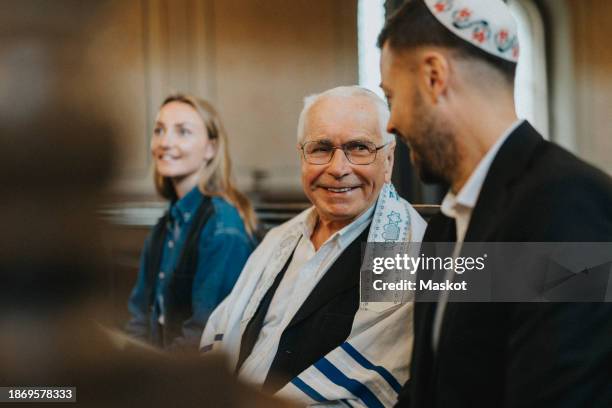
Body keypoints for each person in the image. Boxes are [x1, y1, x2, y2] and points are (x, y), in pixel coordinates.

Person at [378, 0, 612, 407]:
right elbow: (428, 390)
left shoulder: (565, 204)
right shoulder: (447, 224)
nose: (390, 123)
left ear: (434, 76)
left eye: (391, 95)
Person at [200, 86, 427, 406]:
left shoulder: (405, 251)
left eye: (359, 148)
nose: (337, 168)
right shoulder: (281, 238)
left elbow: (370, 375)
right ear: (302, 156)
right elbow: (222, 331)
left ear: (388, 160)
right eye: (321, 148)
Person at [126, 94, 257, 351]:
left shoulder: (223, 228)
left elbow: (204, 334)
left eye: (183, 132)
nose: (165, 142)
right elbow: (140, 316)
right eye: (159, 130)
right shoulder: (165, 225)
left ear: (210, 148)